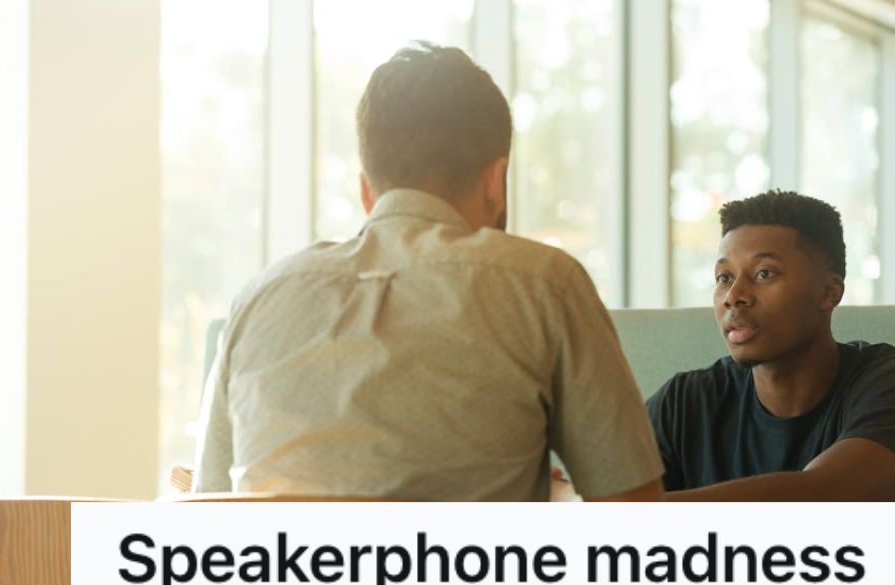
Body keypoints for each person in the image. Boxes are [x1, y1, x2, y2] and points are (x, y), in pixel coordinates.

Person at [193, 42, 664, 502]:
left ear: (366, 193)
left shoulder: (258, 299)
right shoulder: (544, 283)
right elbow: (634, 527)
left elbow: (207, 513)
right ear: (496, 182)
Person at [646, 190, 895, 585]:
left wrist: (617, 512)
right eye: (724, 277)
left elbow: (822, 501)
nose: (733, 296)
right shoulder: (686, 402)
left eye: (763, 274)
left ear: (829, 292)